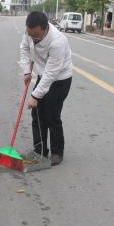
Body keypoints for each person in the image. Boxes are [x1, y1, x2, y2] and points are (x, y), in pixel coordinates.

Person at [19, 11, 73, 166]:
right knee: (37, 115)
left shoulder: (58, 41)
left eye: (36, 36)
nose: (33, 39)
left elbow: (51, 73)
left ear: (45, 28)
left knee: (51, 116)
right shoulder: (28, 32)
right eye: (30, 35)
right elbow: (24, 49)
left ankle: (57, 152)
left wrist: (35, 96)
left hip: (60, 79)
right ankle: (40, 150)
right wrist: (26, 71)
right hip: (43, 74)